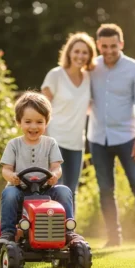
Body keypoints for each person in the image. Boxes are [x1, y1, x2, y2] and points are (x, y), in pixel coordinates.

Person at [87, 24, 135, 249]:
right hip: (98, 138)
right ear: (98, 45)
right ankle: (113, 237)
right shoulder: (91, 67)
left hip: (128, 138)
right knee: (105, 189)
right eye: (104, 46)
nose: (108, 50)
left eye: (113, 46)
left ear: (121, 44)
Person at [0, 91, 82, 247]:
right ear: (19, 122)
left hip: (45, 190)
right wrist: (12, 176)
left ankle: (68, 231)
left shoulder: (51, 143)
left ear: (46, 122)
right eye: (28, 122)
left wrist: (54, 175)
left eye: (39, 122)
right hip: (20, 190)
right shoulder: (14, 145)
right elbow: (6, 170)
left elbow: (57, 167)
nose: (33, 127)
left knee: (64, 190)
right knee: (8, 193)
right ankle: (8, 232)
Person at [41, 32, 97, 213]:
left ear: (90, 55)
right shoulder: (55, 75)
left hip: (76, 143)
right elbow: (42, 109)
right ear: (69, 52)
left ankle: (70, 232)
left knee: (72, 191)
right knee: (57, 188)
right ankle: (50, 232)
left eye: (85, 52)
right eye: (77, 51)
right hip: (55, 140)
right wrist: (44, 140)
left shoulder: (89, 78)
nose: (80, 56)